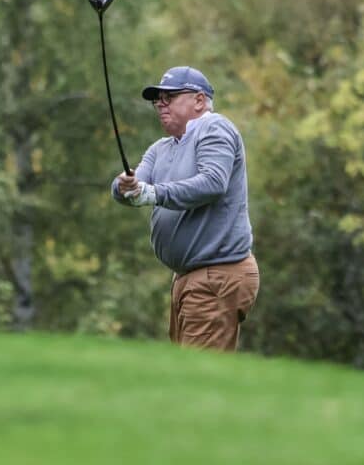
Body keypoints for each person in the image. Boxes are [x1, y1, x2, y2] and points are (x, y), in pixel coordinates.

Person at [111, 66, 259, 352]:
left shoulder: (213, 127)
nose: (160, 106)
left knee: (200, 379)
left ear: (199, 101)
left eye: (170, 97)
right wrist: (124, 187)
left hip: (217, 274)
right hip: (188, 278)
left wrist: (152, 193)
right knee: (187, 376)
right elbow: (133, 187)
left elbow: (213, 182)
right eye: (158, 100)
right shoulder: (160, 149)